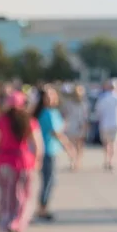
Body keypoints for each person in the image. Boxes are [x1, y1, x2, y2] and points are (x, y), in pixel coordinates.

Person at [0, 91, 43, 232]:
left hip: (4, 163)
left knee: (5, 196)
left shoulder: (0, 122)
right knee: (23, 196)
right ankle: (18, 224)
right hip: (25, 162)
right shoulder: (30, 121)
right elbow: (38, 145)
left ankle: (6, 225)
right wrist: (37, 161)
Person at [33, 86, 75, 221]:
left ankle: (43, 207)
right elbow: (57, 133)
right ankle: (42, 209)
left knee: (50, 181)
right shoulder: (47, 113)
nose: (51, 98)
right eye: (48, 96)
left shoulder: (52, 112)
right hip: (47, 151)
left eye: (53, 95)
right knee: (49, 181)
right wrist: (69, 148)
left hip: (50, 150)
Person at [94, 78, 117, 171]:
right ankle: (114, 161)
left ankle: (107, 160)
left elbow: (98, 112)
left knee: (107, 143)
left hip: (105, 124)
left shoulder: (103, 98)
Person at [62, 85, 89, 170]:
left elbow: (85, 117)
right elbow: (64, 115)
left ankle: (77, 161)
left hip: (80, 125)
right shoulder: (68, 103)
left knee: (79, 145)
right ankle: (72, 160)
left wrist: (85, 126)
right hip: (71, 126)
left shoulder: (84, 104)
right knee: (71, 145)